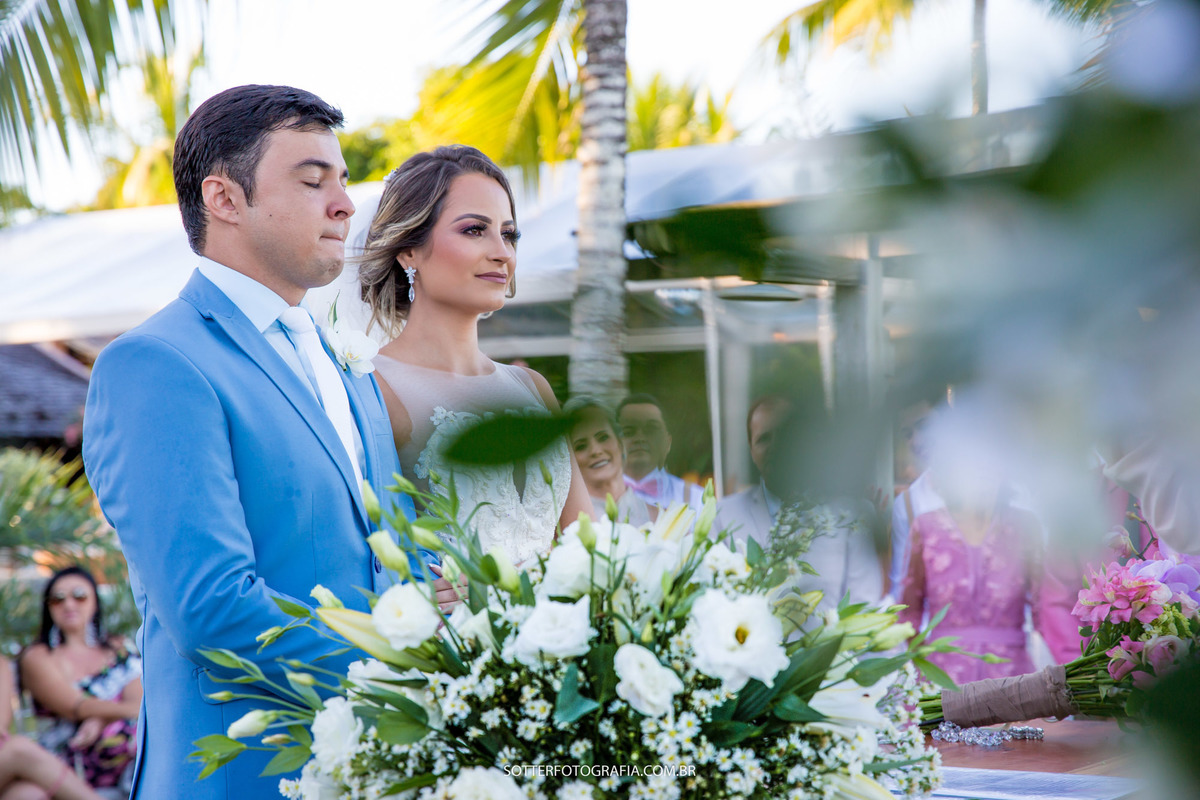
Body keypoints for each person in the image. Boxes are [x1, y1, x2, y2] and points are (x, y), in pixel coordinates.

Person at [82, 85, 434, 799]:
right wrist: (403, 669)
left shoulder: (344, 360)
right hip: (240, 775)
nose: (344, 204)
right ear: (225, 198)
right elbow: (212, 608)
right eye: (313, 181)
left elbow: (393, 547)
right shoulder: (157, 364)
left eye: (343, 181)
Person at [358, 145, 590, 564]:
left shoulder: (531, 387)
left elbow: (591, 548)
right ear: (409, 250)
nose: (502, 252)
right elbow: (367, 550)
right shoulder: (373, 387)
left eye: (509, 233)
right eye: (473, 230)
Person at [18, 568, 140, 796]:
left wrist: (102, 718)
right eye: (58, 599)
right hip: (71, 773)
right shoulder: (38, 656)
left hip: (133, 765)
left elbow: (141, 697)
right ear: (48, 606)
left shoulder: (120, 646)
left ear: (95, 600)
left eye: (79, 595)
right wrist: (117, 712)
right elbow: (75, 706)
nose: (69, 604)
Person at [714, 395, 792, 546]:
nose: (775, 447)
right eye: (764, 439)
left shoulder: (842, 518)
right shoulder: (723, 517)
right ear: (752, 452)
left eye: (785, 435)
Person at [565, 398, 654, 525]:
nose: (596, 451)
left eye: (603, 437)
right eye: (581, 446)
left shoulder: (658, 514)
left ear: (621, 443)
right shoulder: (566, 524)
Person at [617, 394, 703, 512]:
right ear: (614, 443)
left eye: (651, 429)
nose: (640, 438)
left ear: (667, 443)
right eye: (629, 431)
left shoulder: (697, 500)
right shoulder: (596, 498)